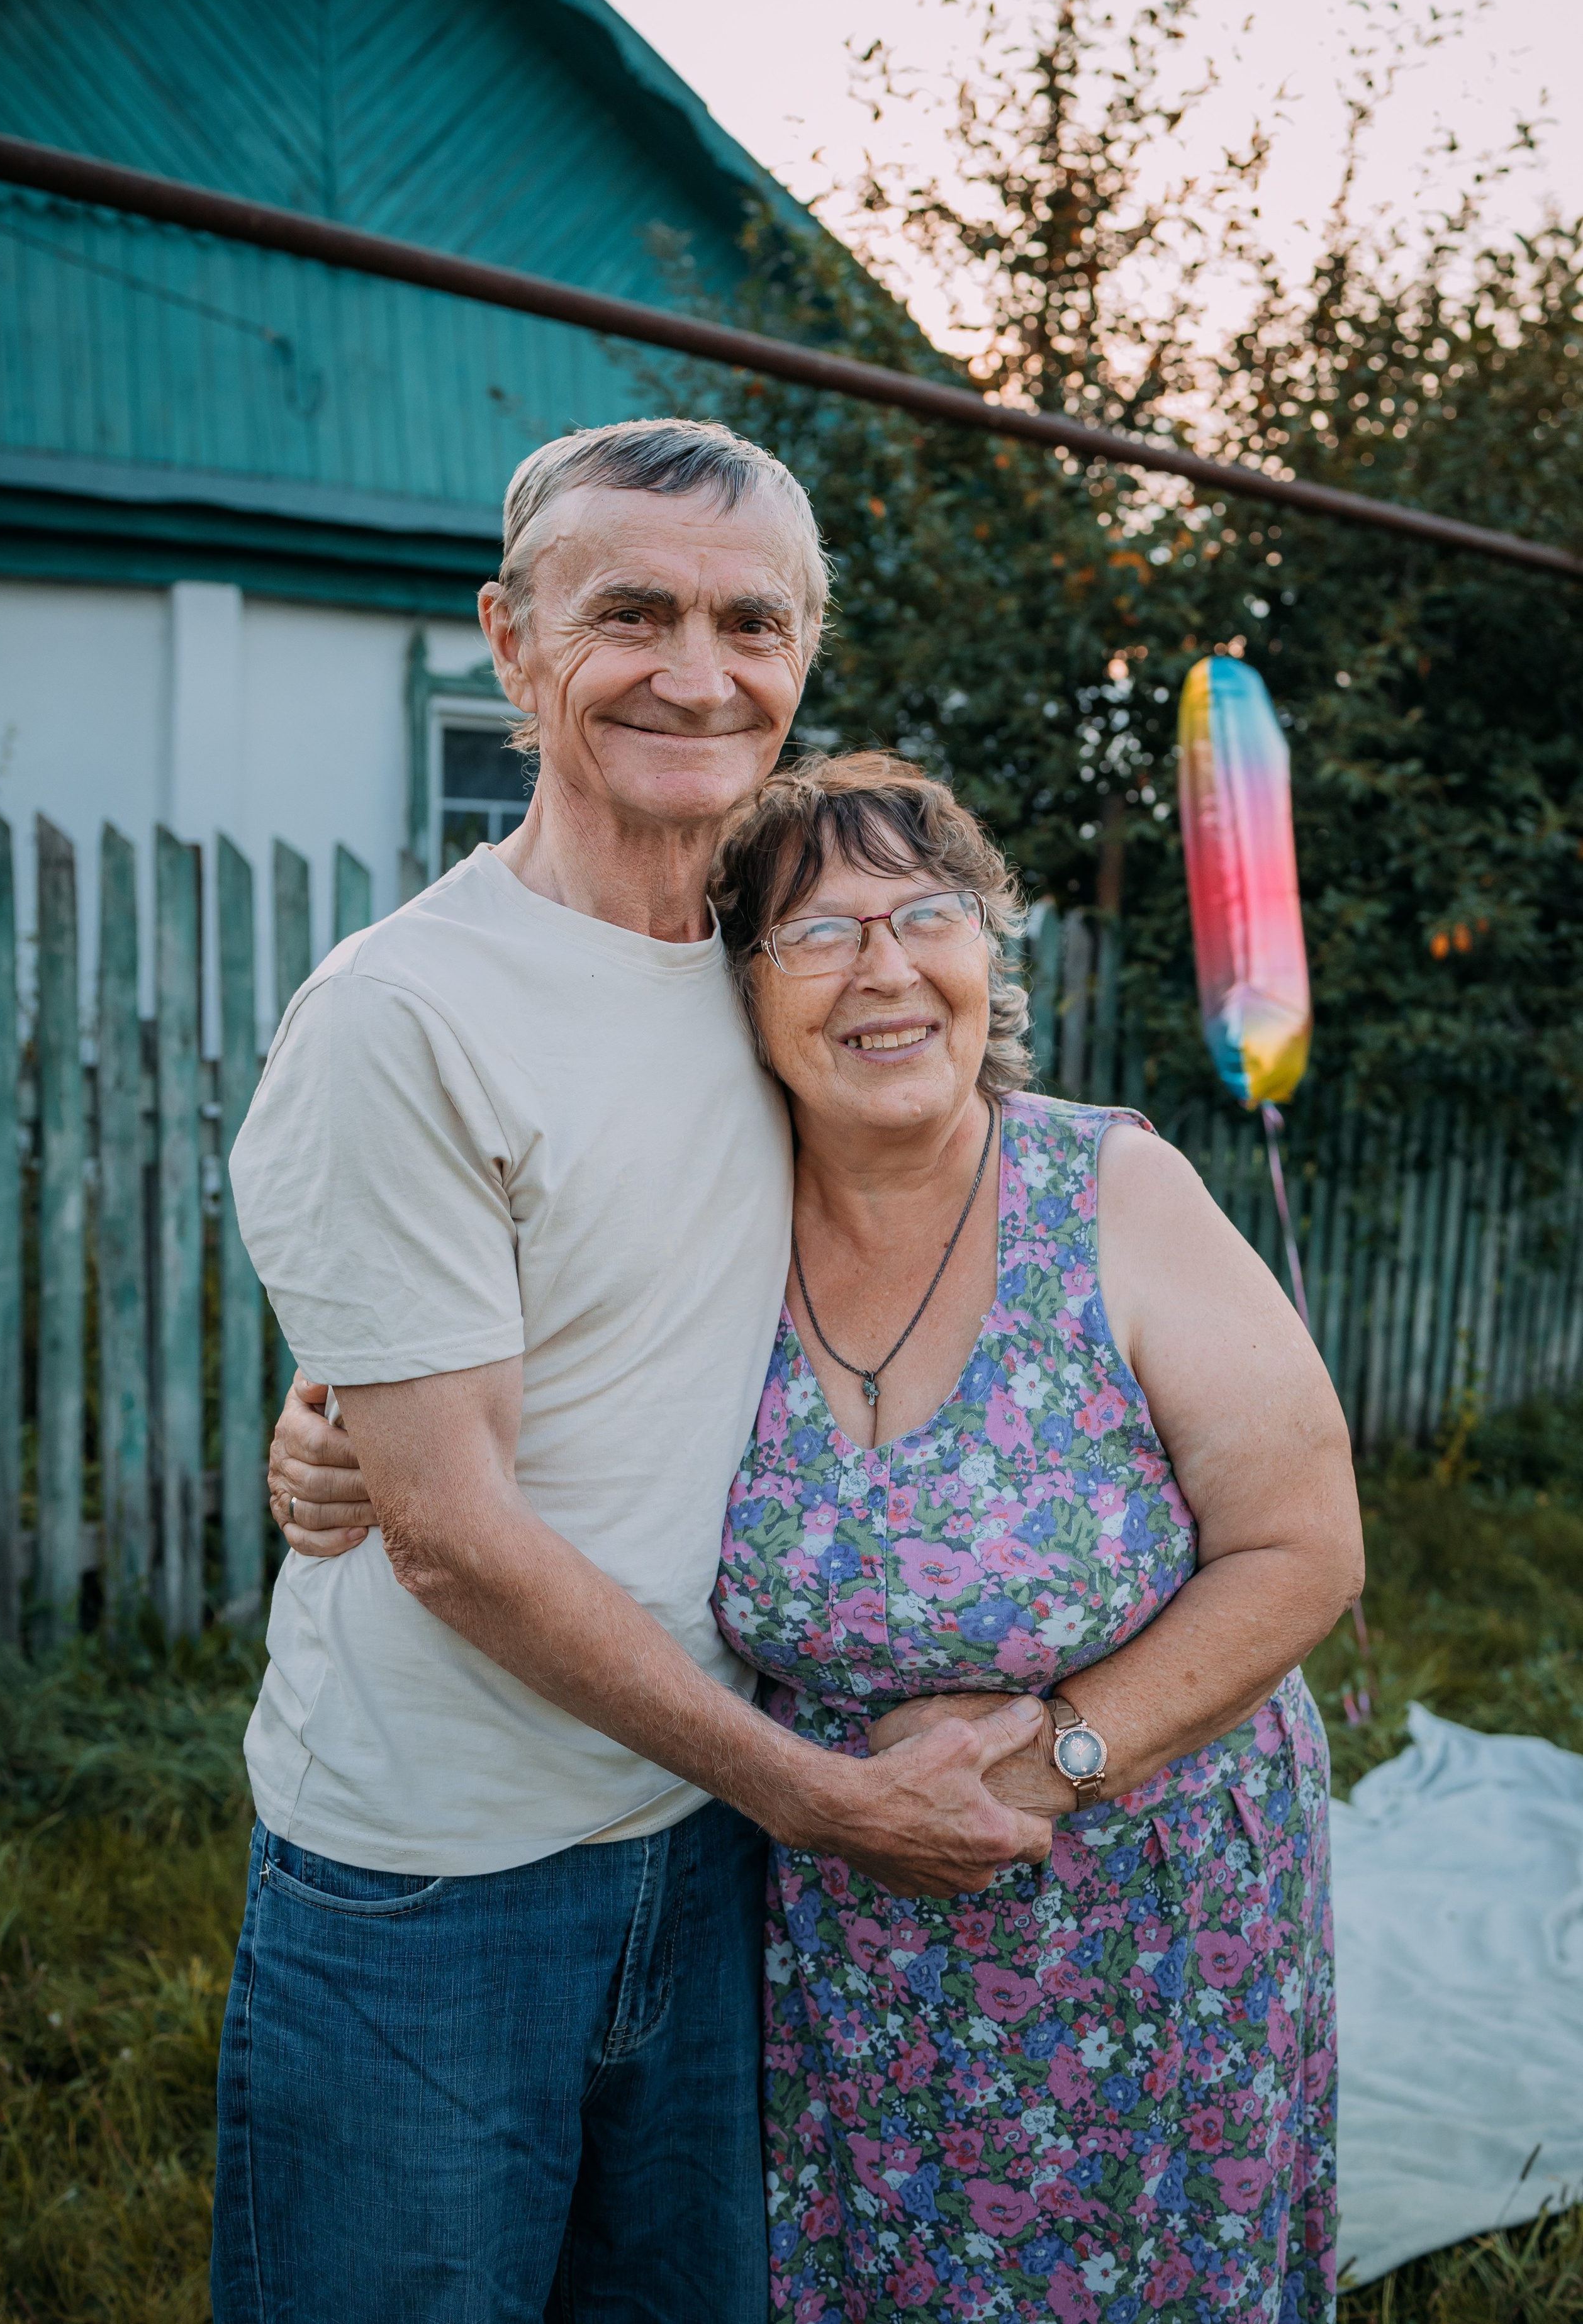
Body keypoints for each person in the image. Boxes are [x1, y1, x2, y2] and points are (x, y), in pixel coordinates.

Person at [275, 747, 1363, 2322]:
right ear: (744, 992)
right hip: (839, 1947)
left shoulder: (1112, 1191)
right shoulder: (708, 1205)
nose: (884, 969)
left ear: (991, 951)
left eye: (927, 915)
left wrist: (1056, 1750)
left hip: (1145, 1913)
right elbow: (450, 1334)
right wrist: (329, 1426)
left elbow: (1302, 1549)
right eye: (816, 934)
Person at [213, 422, 1056, 2324]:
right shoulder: (404, 1017)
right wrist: (823, 1802)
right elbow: (451, 1537)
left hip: (692, 1852)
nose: (698, 669)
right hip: (436, 1883)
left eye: (751, 620)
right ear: (511, 646)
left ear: (806, 651)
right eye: (633, 614)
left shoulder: (778, 970)